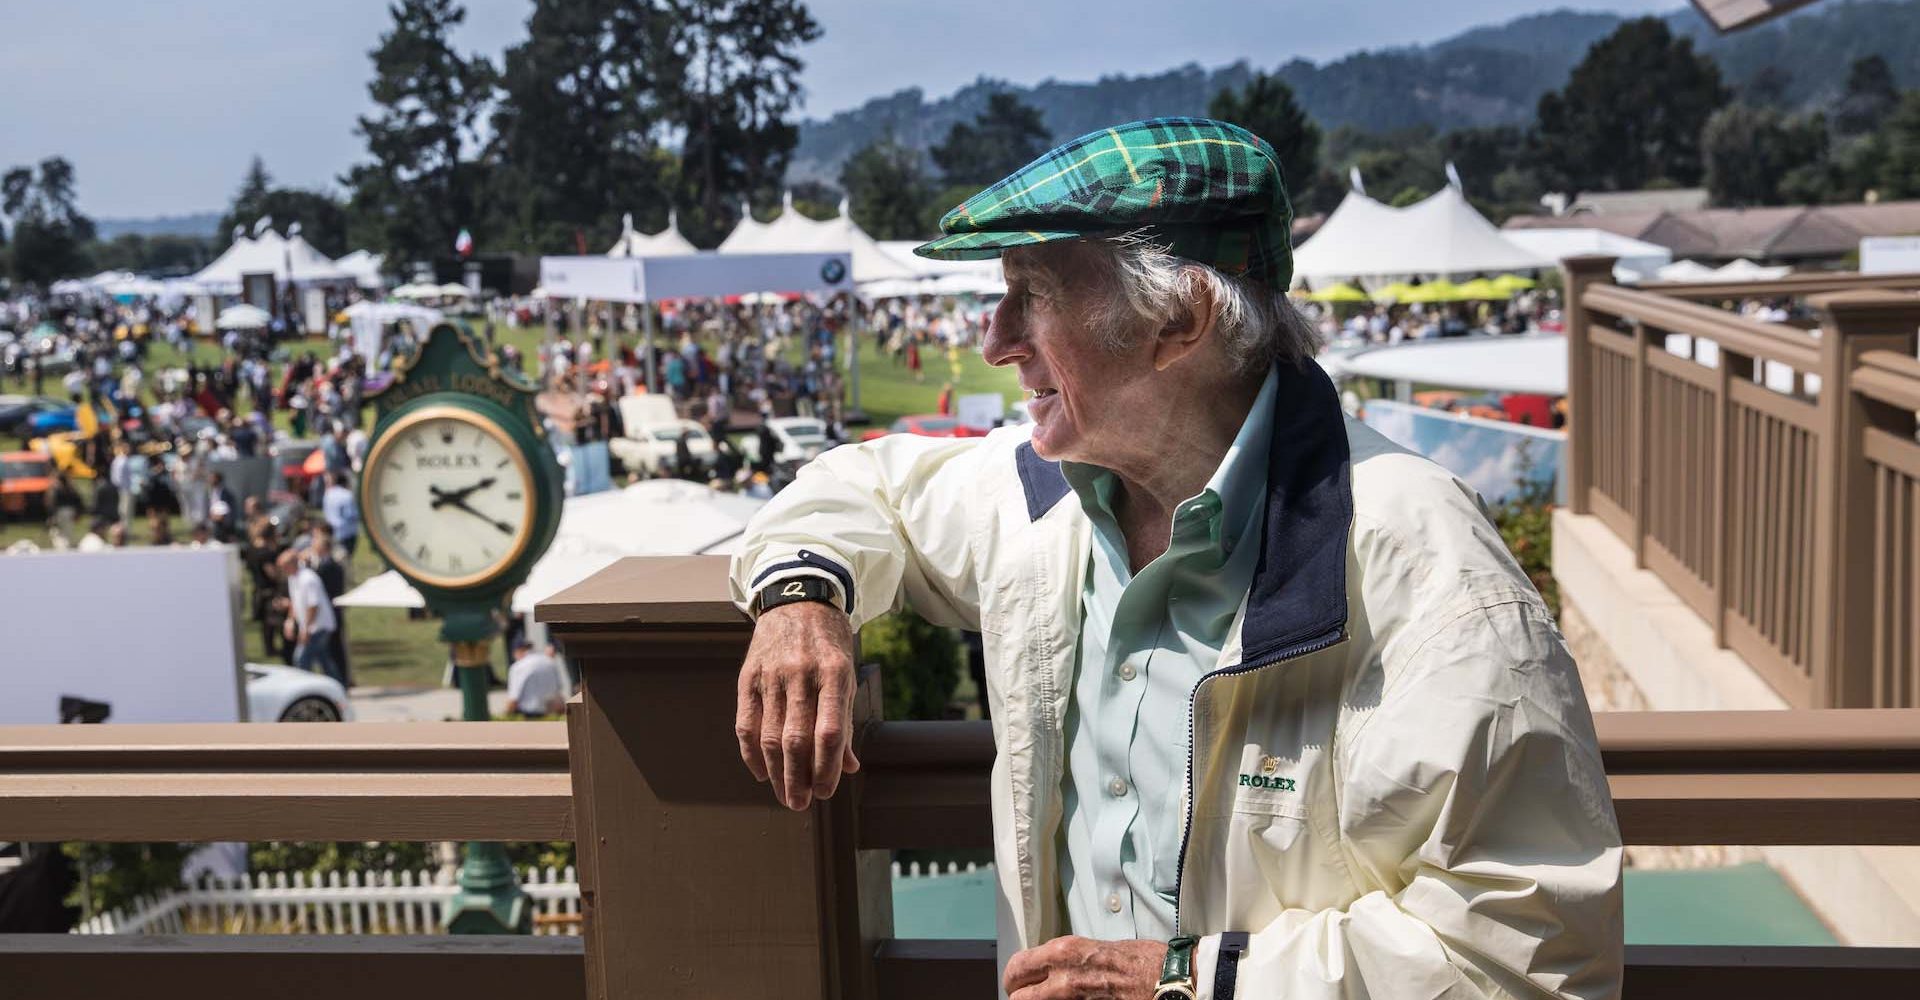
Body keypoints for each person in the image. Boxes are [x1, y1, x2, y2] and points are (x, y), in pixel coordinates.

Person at [727, 119, 1621, 1000]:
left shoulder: (1425, 563)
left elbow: (1526, 954)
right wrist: (803, 601)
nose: (993, 340)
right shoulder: (1046, 492)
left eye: (1032, 295)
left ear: (1179, 318)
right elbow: (861, 485)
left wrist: (1191, 984)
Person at [287, 546, 343, 686]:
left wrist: (306, 628)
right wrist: (290, 620)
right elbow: (295, 601)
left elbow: (314, 605)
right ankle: (338, 686)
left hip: (319, 626)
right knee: (324, 660)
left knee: (301, 658)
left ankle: (304, 688)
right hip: (310, 626)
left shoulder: (308, 579)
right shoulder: (293, 578)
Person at [505, 637, 568, 718]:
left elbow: (513, 700)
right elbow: (558, 691)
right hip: (551, 714)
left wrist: (505, 717)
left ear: (517, 651)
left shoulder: (517, 667)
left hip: (529, 715)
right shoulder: (549, 661)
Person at [321, 472, 360, 558]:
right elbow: (351, 514)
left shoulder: (328, 494)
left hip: (331, 531)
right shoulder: (347, 495)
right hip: (346, 533)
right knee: (345, 560)